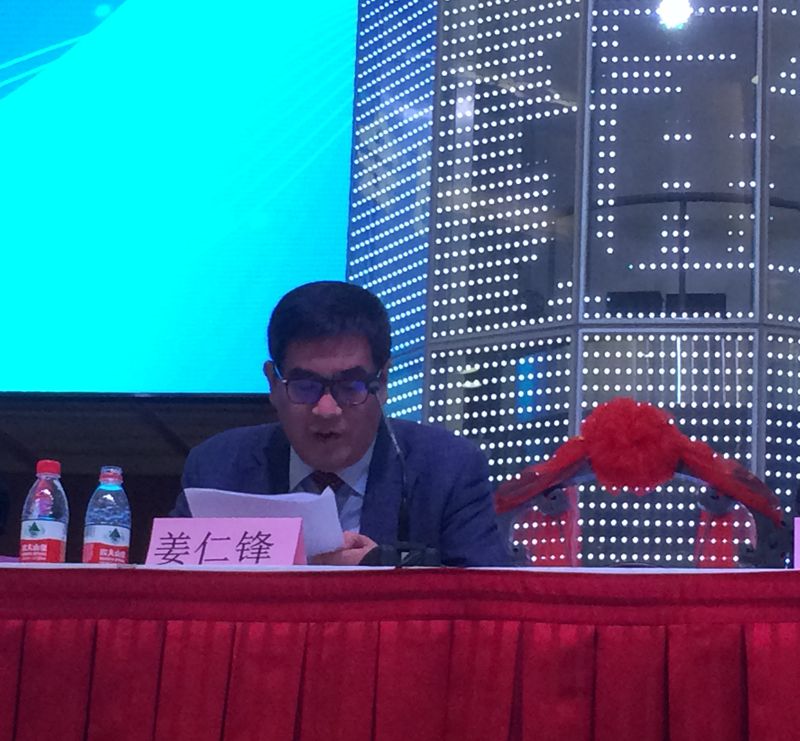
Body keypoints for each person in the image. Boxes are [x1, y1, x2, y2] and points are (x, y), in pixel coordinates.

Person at [173, 281, 509, 566]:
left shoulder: (447, 469)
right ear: (273, 383)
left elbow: (484, 600)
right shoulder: (218, 467)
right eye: (305, 386)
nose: (326, 409)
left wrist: (385, 572)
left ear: (383, 382)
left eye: (350, 386)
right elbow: (174, 588)